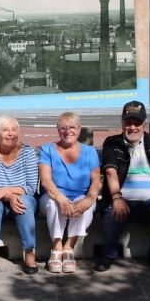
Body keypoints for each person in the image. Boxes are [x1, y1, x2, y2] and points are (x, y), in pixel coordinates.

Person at [94, 101, 150, 273]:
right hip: (123, 198)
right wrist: (117, 197)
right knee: (112, 211)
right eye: (128, 122)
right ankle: (108, 254)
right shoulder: (112, 143)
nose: (132, 127)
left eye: (137, 123)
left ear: (144, 124)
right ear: (122, 123)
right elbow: (110, 172)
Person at [38, 112, 101, 273]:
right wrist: (61, 199)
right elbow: (46, 180)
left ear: (79, 129)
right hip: (53, 195)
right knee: (53, 205)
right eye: (63, 128)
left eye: (72, 127)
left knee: (85, 206)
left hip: (80, 194)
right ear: (58, 130)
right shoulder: (48, 150)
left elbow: (96, 181)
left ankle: (69, 247)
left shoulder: (89, 151)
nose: (68, 131)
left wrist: (89, 199)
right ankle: (57, 247)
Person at [0, 116, 39, 275]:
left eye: (14, 130)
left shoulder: (28, 151)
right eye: (5, 130)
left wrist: (7, 190)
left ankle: (30, 254)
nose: (10, 134)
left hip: (22, 198)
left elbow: (31, 188)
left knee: (22, 201)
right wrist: (8, 195)